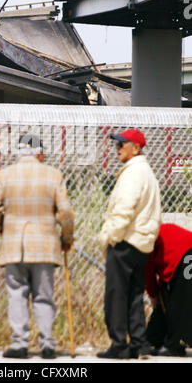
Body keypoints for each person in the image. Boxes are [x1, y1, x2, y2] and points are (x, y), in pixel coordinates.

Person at [0, 133, 74, 359]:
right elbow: (65, 212)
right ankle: (47, 344)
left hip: (14, 245)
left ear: (19, 152)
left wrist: (0, 223)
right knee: (44, 296)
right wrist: (66, 237)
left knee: (17, 295)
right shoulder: (53, 175)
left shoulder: (5, 175)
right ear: (39, 153)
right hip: (45, 246)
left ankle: (19, 344)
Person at [97, 128, 161, 359]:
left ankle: (119, 345)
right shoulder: (147, 172)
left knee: (116, 294)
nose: (117, 148)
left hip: (125, 240)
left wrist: (109, 236)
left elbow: (124, 208)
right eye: (117, 144)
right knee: (134, 294)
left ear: (136, 148)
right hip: (142, 244)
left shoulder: (133, 173)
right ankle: (139, 344)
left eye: (122, 144)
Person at [145, 223, 192, 356]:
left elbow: (149, 273)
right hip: (186, 253)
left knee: (178, 302)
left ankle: (174, 344)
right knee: (179, 297)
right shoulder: (162, 229)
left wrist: (153, 295)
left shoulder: (146, 241)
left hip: (183, 258)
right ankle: (155, 337)